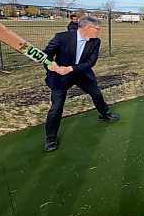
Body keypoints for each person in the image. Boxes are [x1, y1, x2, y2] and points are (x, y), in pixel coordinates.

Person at [43, 15, 119, 152]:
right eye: (97, 28)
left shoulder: (95, 41)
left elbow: (91, 62)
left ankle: (104, 114)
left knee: (96, 93)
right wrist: (51, 64)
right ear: (88, 28)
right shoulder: (62, 37)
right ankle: (50, 138)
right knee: (56, 107)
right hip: (60, 77)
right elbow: (46, 54)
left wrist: (70, 69)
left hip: (81, 74)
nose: (99, 31)